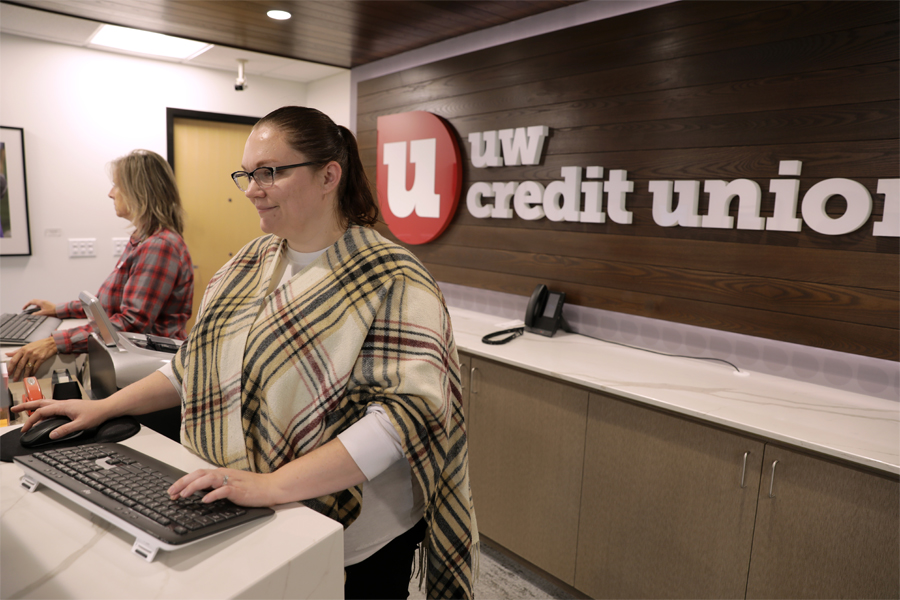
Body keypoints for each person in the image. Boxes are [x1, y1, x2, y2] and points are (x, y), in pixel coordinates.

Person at [14, 107, 478, 599]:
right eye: (247, 174)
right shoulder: (249, 262)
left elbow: (403, 418)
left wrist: (272, 485)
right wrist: (102, 408)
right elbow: (194, 367)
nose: (252, 188)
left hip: (355, 535)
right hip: (252, 503)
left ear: (329, 175)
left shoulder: (392, 276)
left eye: (270, 172)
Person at [6, 150, 194, 382]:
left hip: (152, 370)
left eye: (117, 185)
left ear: (139, 191)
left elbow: (131, 324)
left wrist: (56, 342)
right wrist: (58, 309)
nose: (110, 193)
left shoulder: (160, 246)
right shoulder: (142, 240)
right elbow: (107, 304)